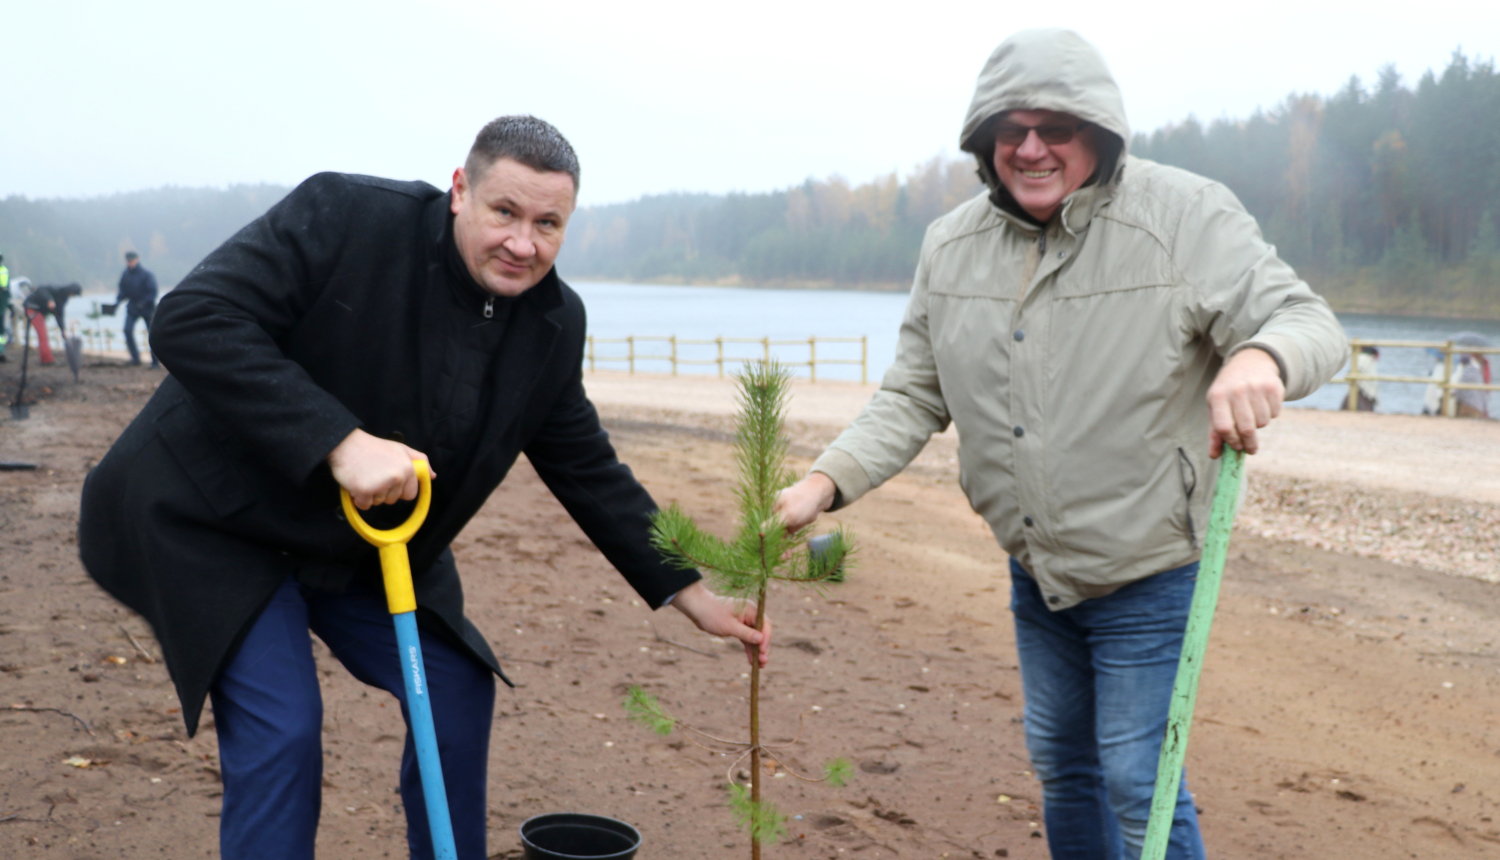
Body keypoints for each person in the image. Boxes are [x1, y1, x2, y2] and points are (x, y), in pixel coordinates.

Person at [78, 116, 770, 860]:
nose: (523, 243)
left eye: (548, 224)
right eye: (504, 212)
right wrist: (338, 441)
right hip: (215, 519)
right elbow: (191, 317)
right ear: (460, 191)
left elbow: (584, 463)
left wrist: (688, 591)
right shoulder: (348, 216)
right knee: (284, 726)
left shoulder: (553, 322)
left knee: (454, 688)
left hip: (367, 544)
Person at [774, 30, 1345, 860]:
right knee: (1061, 765)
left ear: (1100, 131)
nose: (1032, 148)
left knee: (1137, 779)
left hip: (1149, 566)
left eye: (1056, 127)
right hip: (1036, 568)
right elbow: (912, 393)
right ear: (985, 141)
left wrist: (1262, 356)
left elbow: (1310, 324)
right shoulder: (951, 245)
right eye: (1012, 129)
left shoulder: (1184, 216)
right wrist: (826, 482)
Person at [20, 282, 82, 366]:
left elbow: (59, 314)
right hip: (32, 308)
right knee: (43, 335)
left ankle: (46, 358)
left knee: (43, 335)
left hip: (39, 311)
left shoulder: (63, 299)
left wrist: (62, 329)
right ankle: (46, 360)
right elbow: (40, 289)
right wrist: (49, 300)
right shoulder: (56, 289)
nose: (73, 296)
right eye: (74, 294)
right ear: (70, 291)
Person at [115, 250, 159, 366]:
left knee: (152, 334)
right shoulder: (126, 274)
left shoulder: (146, 274)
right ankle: (135, 358)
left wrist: (144, 303)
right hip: (133, 307)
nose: (130, 263)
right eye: (128, 261)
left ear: (137, 259)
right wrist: (117, 302)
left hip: (148, 308)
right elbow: (123, 291)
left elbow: (153, 292)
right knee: (127, 330)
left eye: (132, 261)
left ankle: (155, 362)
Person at [1345, 345, 1378, 411]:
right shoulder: (1369, 360)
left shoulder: (1361, 358)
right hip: (1365, 391)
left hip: (1361, 390)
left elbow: (1352, 372)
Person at [0, 253, 10, 360]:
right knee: (1, 329)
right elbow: (6, 289)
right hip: (1, 304)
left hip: (1, 303)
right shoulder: (4, 271)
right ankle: (1, 350)